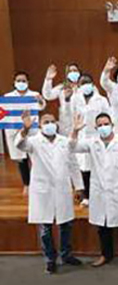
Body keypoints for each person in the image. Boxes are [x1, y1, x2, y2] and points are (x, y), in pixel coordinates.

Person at [70, 112, 118, 269]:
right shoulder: (92, 143)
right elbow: (72, 147)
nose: (103, 127)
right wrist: (75, 131)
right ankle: (106, 254)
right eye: (100, 125)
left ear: (112, 126)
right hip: (100, 191)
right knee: (102, 226)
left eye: (106, 124)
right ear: (96, 128)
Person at [16, 111, 84, 274]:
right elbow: (19, 144)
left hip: (62, 188)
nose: (50, 124)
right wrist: (24, 130)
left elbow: (73, 164)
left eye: (52, 121)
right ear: (39, 125)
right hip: (42, 190)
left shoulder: (64, 141)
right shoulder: (33, 142)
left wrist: (79, 186)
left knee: (65, 224)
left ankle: (66, 255)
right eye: (46, 122)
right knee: (45, 228)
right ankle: (50, 259)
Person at [3, 71, 46, 195]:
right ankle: (26, 184)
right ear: (14, 82)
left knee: (35, 156)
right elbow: (3, 114)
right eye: (18, 80)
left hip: (32, 130)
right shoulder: (8, 97)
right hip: (15, 130)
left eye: (23, 80)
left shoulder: (34, 94)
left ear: (28, 82)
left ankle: (37, 182)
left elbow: (42, 107)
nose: (21, 83)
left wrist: (40, 100)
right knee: (21, 159)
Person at [70, 73, 110, 205]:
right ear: (79, 86)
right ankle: (86, 196)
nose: (86, 86)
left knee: (98, 166)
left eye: (88, 83)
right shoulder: (75, 98)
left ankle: (101, 194)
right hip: (81, 136)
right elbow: (73, 116)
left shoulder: (101, 100)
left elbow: (108, 117)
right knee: (83, 167)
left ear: (93, 85)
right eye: (83, 83)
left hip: (97, 136)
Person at [42, 63, 81, 136]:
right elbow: (47, 95)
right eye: (70, 71)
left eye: (75, 70)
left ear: (79, 72)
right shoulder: (61, 88)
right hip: (66, 122)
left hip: (80, 120)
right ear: (67, 74)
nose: (73, 73)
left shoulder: (84, 88)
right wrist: (48, 79)